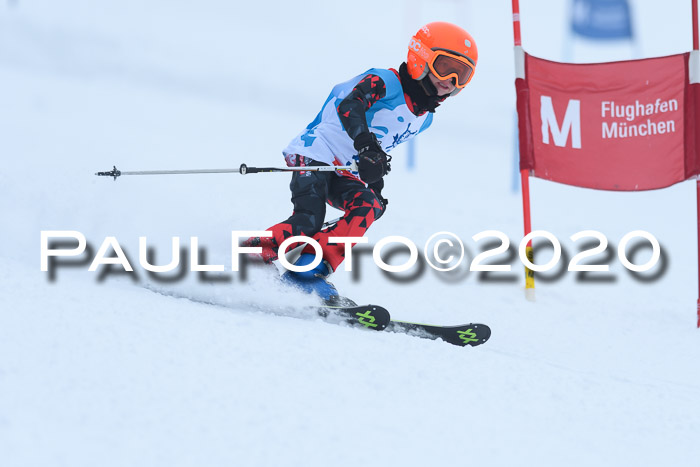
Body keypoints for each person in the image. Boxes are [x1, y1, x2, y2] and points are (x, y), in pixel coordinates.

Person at [245, 21, 478, 303]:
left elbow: (378, 149)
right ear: (422, 57)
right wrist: (366, 146)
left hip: (344, 168)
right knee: (308, 220)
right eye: (445, 67)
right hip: (316, 152)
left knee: (367, 207)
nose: (450, 80)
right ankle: (244, 259)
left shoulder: (424, 119)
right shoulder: (385, 81)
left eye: (462, 75)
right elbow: (351, 105)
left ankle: (305, 273)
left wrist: (375, 181)